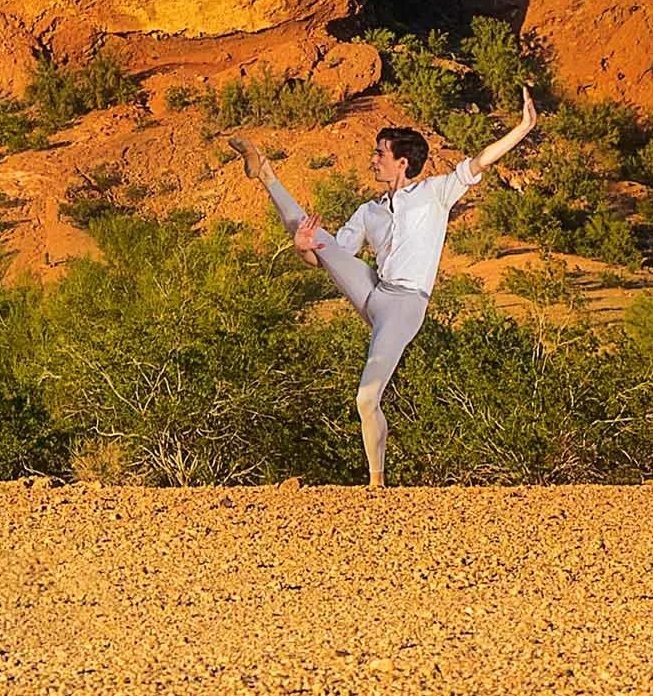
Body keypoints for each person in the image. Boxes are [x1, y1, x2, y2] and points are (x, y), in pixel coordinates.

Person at [228, 90, 540, 489]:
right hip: (373, 289)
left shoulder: (434, 194)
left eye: (380, 153)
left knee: (366, 398)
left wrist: (524, 127)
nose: (373, 159)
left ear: (402, 162)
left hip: (404, 306)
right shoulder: (368, 211)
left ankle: (377, 483)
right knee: (313, 233)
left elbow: (481, 160)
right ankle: (266, 173)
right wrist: (302, 248)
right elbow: (328, 260)